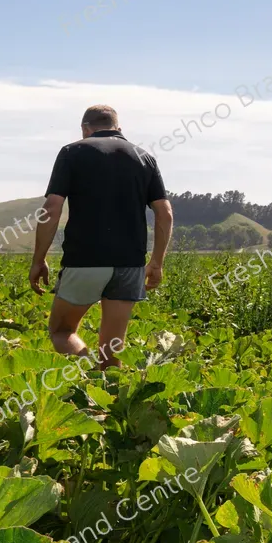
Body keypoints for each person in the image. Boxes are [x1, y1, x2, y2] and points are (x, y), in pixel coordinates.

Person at [29, 105, 173, 370]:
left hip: (85, 260)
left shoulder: (73, 152)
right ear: (118, 128)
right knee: (110, 351)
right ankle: (107, 394)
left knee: (62, 331)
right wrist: (157, 262)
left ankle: (85, 367)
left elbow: (51, 209)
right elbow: (164, 214)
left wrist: (39, 259)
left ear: (85, 129)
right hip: (130, 264)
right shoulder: (144, 157)